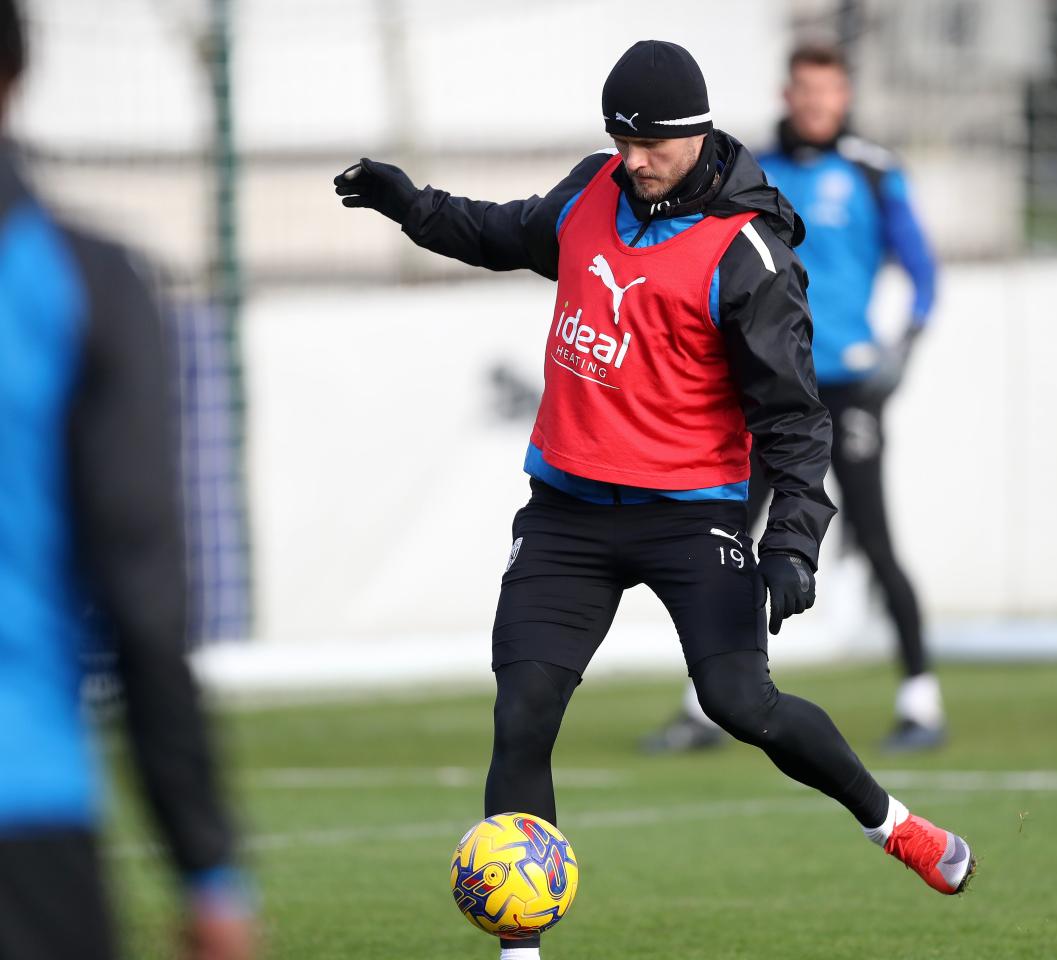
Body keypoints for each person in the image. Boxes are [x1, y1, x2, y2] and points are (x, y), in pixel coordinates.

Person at [336, 39, 974, 959]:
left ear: (698, 133)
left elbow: (795, 419)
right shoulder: (592, 190)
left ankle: (895, 825)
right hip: (566, 514)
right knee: (522, 714)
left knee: (740, 703)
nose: (633, 162)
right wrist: (411, 204)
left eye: (652, 145)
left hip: (691, 515)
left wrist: (793, 542)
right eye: (621, 141)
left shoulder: (747, 254)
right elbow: (503, 233)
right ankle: (520, 951)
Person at [0, 3, 255, 958]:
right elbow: (142, 597)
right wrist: (207, 868)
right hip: (21, 802)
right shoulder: (82, 282)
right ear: (18, 74)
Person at [643, 43, 946, 756]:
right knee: (726, 537)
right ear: (788, 94)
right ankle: (705, 704)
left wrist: (902, 351)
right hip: (766, 387)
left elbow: (925, 274)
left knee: (874, 537)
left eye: (827, 90)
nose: (815, 102)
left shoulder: (873, 172)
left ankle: (920, 698)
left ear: (844, 97)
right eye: (804, 90)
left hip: (845, 384)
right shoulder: (750, 170)